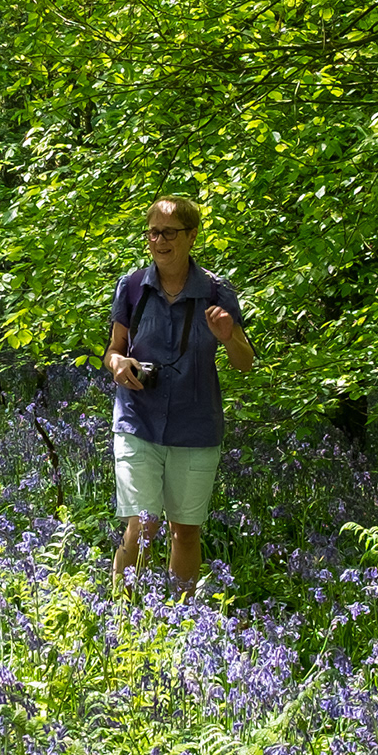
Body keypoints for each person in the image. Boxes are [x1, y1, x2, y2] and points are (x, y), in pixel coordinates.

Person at [105, 195, 254, 592]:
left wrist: (229, 337)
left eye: (169, 232)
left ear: (191, 236)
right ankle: (121, 613)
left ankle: (183, 623)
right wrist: (118, 365)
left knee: (185, 531)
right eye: (153, 232)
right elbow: (114, 350)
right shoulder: (133, 287)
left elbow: (244, 361)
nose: (159, 241)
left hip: (195, 426)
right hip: (138, 420)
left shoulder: (217, 293)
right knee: (143, 522)